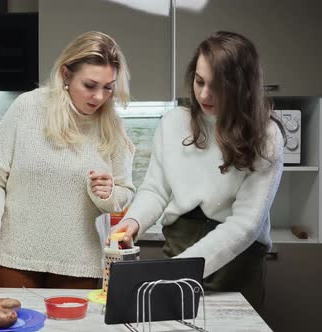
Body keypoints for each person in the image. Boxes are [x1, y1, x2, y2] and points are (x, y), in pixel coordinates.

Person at [110, 31, 285, 309]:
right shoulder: (173, 122)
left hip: (236, 260)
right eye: (199, 81)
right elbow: (156, 189)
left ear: (242, 87)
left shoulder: (266, 135)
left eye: (218, 87)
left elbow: (246, 225)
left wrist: (179, 270)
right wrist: (133, 222)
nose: (204, 94)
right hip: (179, 246)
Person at [0, 31, 137, 289]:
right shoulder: (26, 108)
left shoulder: (112, 125)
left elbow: (124, 192)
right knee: (15, 328)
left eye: (108, 87)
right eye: (90, 86)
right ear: (65, 75)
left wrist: (108, 193)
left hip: (80, 261)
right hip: (15, 257)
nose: (99, 97)